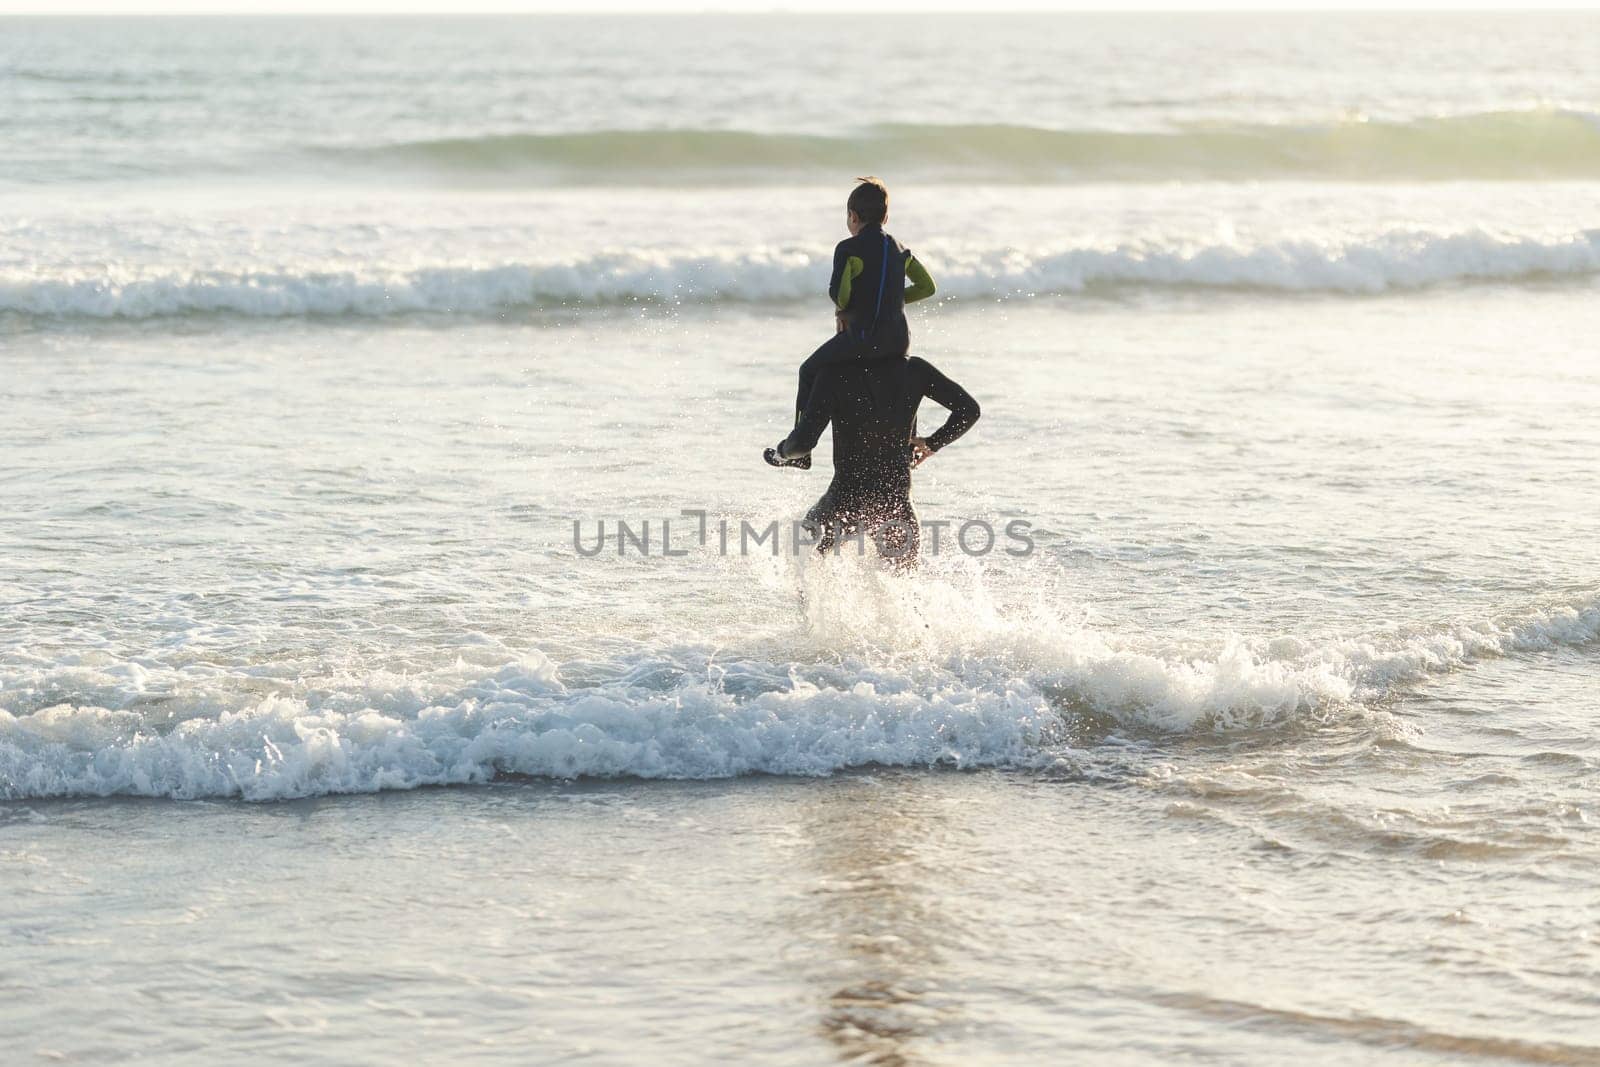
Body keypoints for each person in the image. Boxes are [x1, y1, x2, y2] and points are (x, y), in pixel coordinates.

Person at [764, 176, 937, 472]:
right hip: (898, 341)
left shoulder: (849, 248)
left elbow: (840, 297)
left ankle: (800, 449)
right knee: (902, 378)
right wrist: (891, 302)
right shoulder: (902, 250)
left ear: (853, 217)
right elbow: (927, 287)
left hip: (862, 338)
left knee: (809, 370)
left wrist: (855, 307)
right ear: (886, 217)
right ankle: (906, 447)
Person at [764, 355, 979, 566]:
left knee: (804, 564)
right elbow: (969, 411)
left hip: (843, 501)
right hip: (895, 504)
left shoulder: (835, 374)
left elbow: (802, 443)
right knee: (907, 594)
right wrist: (933, 443)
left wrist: (782, 453)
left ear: (845, 325)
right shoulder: (914, 370)